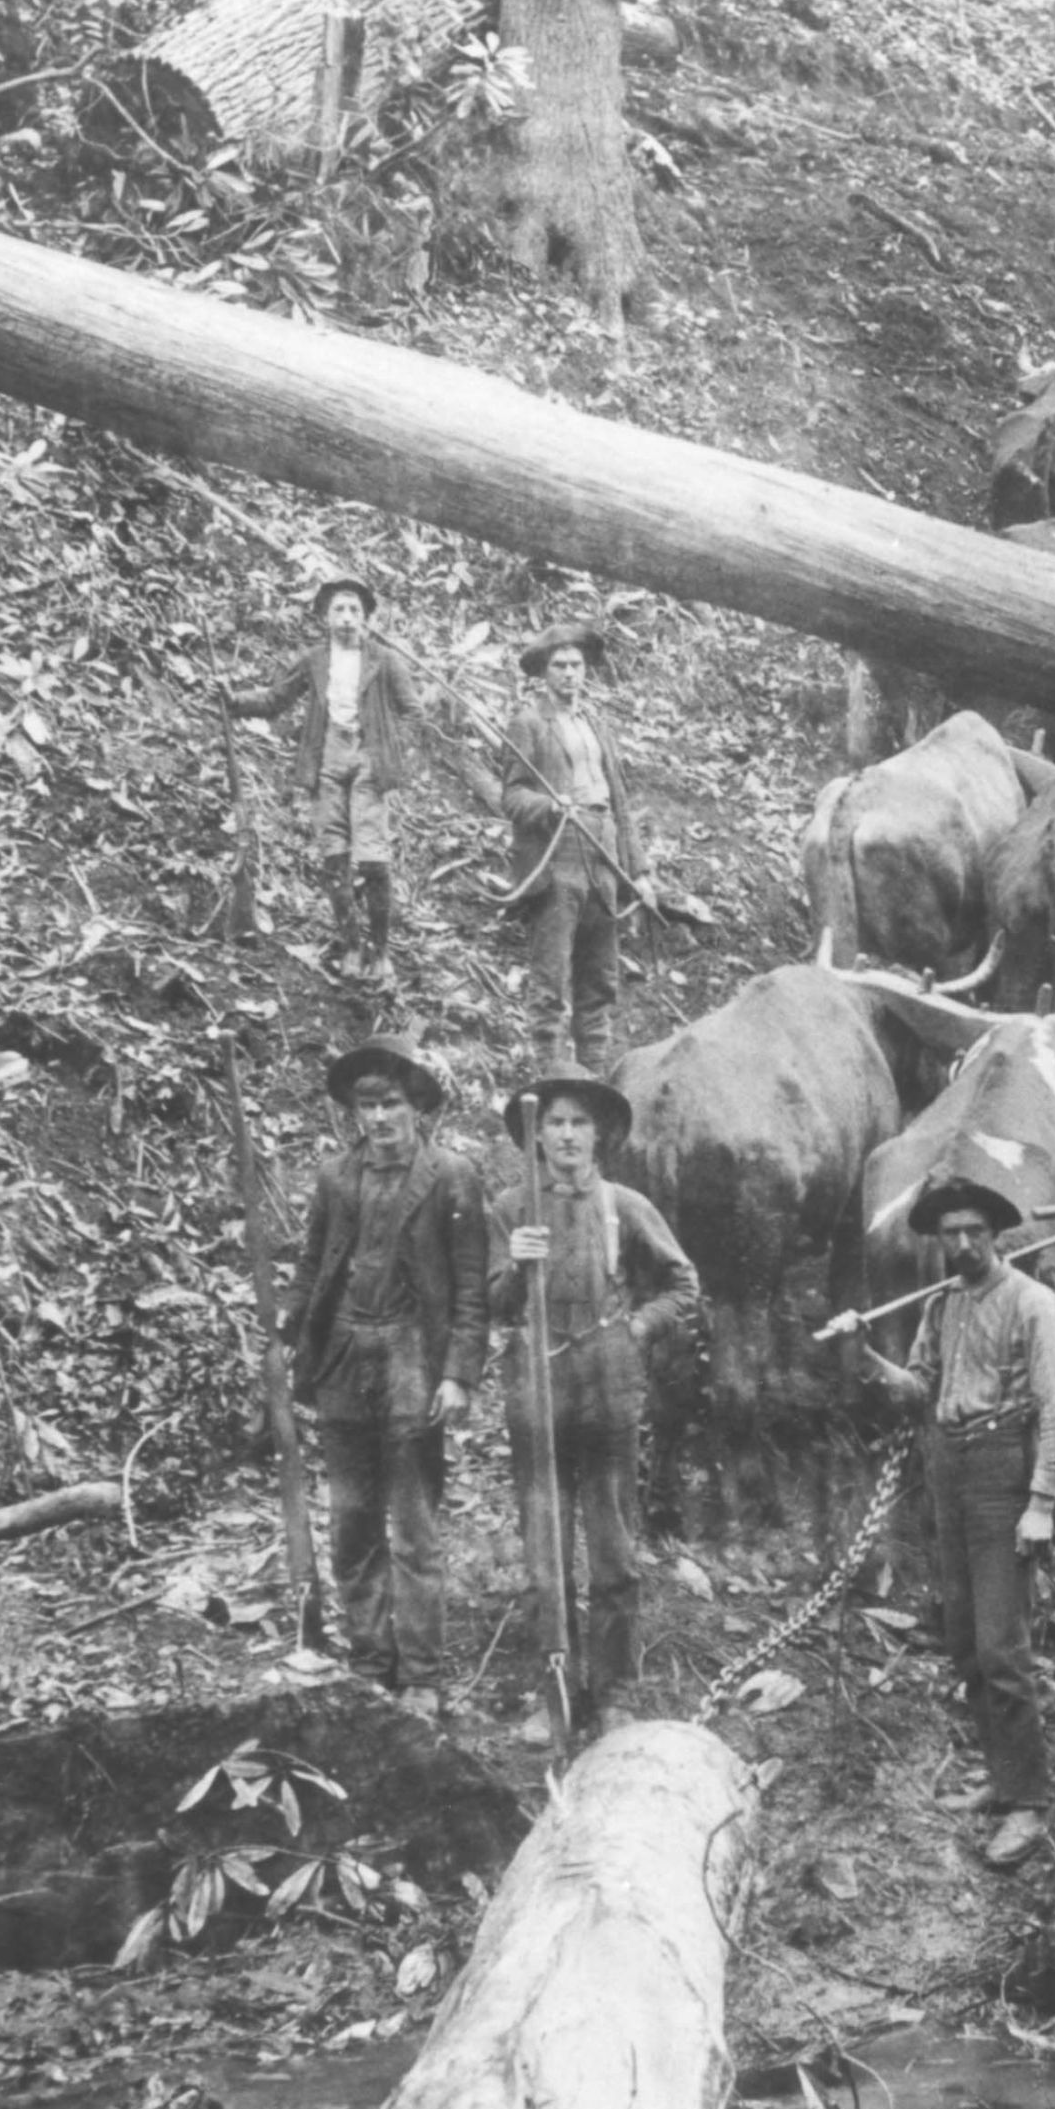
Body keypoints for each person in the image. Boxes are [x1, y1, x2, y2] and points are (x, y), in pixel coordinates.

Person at [840, 1176, 1055, 1872]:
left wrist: (1041, 1502)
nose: (963, 1243)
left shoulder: (1033, 1305)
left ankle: (1030, 1803)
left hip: (1003, 1475)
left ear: (997, 1233)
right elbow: (919, 1389)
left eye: (975, 1230)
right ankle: (1001, 1778)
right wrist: (864, 1355)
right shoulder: (943, 1305)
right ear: (937, 1240)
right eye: (950, 1233)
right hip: (947, 1472)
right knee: (966, 1642)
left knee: (1003, 1648)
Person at [281, 1034, 488, 1722]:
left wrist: (457, 1374)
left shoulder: (451, 1177)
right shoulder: (337, 1177)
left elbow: (469, 1288)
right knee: (351, 1521)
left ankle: (423, 1676)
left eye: (390, 1102)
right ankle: (370, 1662)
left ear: (418, 1106)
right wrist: (287, 1341)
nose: (377, 1118)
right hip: (344, 1358)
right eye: (366, 1105)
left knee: (413, 1528)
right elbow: (315, 1264)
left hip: (410, 1360)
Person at [490, 1063, 699, 1733]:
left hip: (607, 1385)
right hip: (536, 1389)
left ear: (601, 1134)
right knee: (544, 1546)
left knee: (611, 1546)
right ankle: (554, 1689)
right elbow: (486, 1304)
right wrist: (514, 1271)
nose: (568, 1135)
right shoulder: (508, 1208)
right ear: (536, 1136)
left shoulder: (624, 1206)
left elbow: (682, 1285)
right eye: (555, 1122)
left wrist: (637, 1328)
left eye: (580, 1122)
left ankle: (615, 1693)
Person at [229, 573, 422, 980]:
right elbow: (275, 699)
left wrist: (386, 751)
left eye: (355, 609)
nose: (348, 617)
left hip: (368, 762)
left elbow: (413, 712)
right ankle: (352, 944)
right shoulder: (315, 660)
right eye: (339, 609)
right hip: (327, 762)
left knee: (373, 859)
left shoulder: (385, 660)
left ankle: (381, 949)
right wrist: (234, 701)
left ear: (366, 616)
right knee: (334, 858)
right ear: (325, 616)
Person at [501, 619, 658, 1069]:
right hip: (557, 857)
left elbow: (621, 802)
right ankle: (550, 1081)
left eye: (576, 665)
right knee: (550, 980)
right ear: (544, 673)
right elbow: (511, 795)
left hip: (603, 856)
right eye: (560, 666)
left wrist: (641, 872)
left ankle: (594, 1080)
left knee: (600, 979)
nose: (570, 674)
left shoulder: (595, 723)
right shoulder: (529, 723)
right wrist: (550, 807)